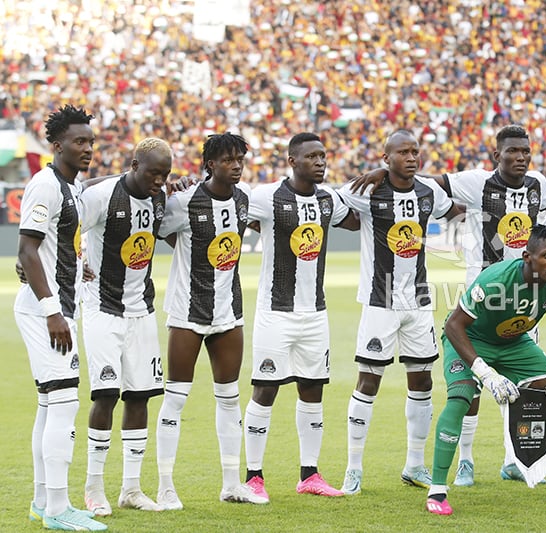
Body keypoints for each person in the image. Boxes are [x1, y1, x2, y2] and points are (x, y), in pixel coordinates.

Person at [350, 124, 546, 486]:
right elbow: (425, 182)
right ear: (497, 155)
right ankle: (466, 461)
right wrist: (387, 170)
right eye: (512, 151)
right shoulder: (476, 182)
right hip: (485, 298)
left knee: (525, 382)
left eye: (526, 150)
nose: (521, 157)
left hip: (525, 300)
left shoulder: (540, 185)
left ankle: (514, 459)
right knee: (471, 382)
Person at [425, 224, 546, 516]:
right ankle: (437, 491)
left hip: (514, 344)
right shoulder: (497, 280)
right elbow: (454, 325)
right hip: (469, 340)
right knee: (461, 397)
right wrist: (485, 373)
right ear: (527, 256)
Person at [336, 130, 464, 495]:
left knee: (422, 382)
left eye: (415, 152)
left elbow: (452, 211)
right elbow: (333, 199)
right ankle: (354, 467)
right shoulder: (369, 191)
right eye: (402, 152)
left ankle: (414, 465)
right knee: (369, 381)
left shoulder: (429, 191)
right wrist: (376, 174)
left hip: (419, 301)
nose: (411, 157)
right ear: (386, 156)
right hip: (380, 301)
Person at [241, 133, 358, 500]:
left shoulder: (328, 199)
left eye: (323, 155)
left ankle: (310, 474)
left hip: (315, 313)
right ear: (292, 161)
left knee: (312, 389)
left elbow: (354, 219)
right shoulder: (267, 196)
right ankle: (253, 477)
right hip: (275, 312)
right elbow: (232, 205)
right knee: (266, 389)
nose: (321, 162)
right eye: (312, 157)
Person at [154, 132, 265, 508]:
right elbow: (158, 230)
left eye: (240, 159)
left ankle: (232, 484)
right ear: (210, 164)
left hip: (228, 313)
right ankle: (166, 486)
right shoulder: (185, 202)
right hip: (187, 312)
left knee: (230, 399)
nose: (236, 165)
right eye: (228, 159)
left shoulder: (244, 198)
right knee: (175, 399)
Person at [15, 104, 107, 530]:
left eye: (90, 140)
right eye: (79, 141)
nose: (88, 147)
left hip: (57, 305)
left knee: (50, 406)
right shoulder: (45, 185)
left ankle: (41, 502)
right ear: (56, 145)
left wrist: (77, 263)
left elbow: (55, 246)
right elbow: (27, 251)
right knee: (66, 405)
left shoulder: (71, 188)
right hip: (45, 312)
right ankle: (57, 510)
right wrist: (53, 312)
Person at [80, 138, 173, 516]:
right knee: (105, 395)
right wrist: (77, 257)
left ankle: (131, 488)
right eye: (153, 172)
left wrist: (173, 185)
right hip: (102, 307)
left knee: (140, 395)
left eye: (165, 175)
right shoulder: (103, 196)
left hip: (142, 310)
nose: (159, 181)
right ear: (134, 164)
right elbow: (66, 220)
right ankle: (93, 487)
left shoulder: (161, 198)